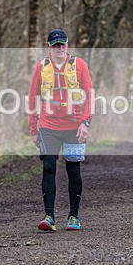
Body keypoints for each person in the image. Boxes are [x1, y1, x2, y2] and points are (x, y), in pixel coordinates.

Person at [28, 29, 93, 232]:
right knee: (48, 168)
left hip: (74, 126)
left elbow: (89, 94)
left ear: (67, 45)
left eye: (63, 44)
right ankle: (49, 217)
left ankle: (73, 217)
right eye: (56, 45)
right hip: (48, 127)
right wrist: (33, 128)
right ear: (49, 47)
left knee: (73, 171)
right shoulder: (41, 67)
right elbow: (33, 98)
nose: (60, 48)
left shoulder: (79, 64)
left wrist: (86, 122)